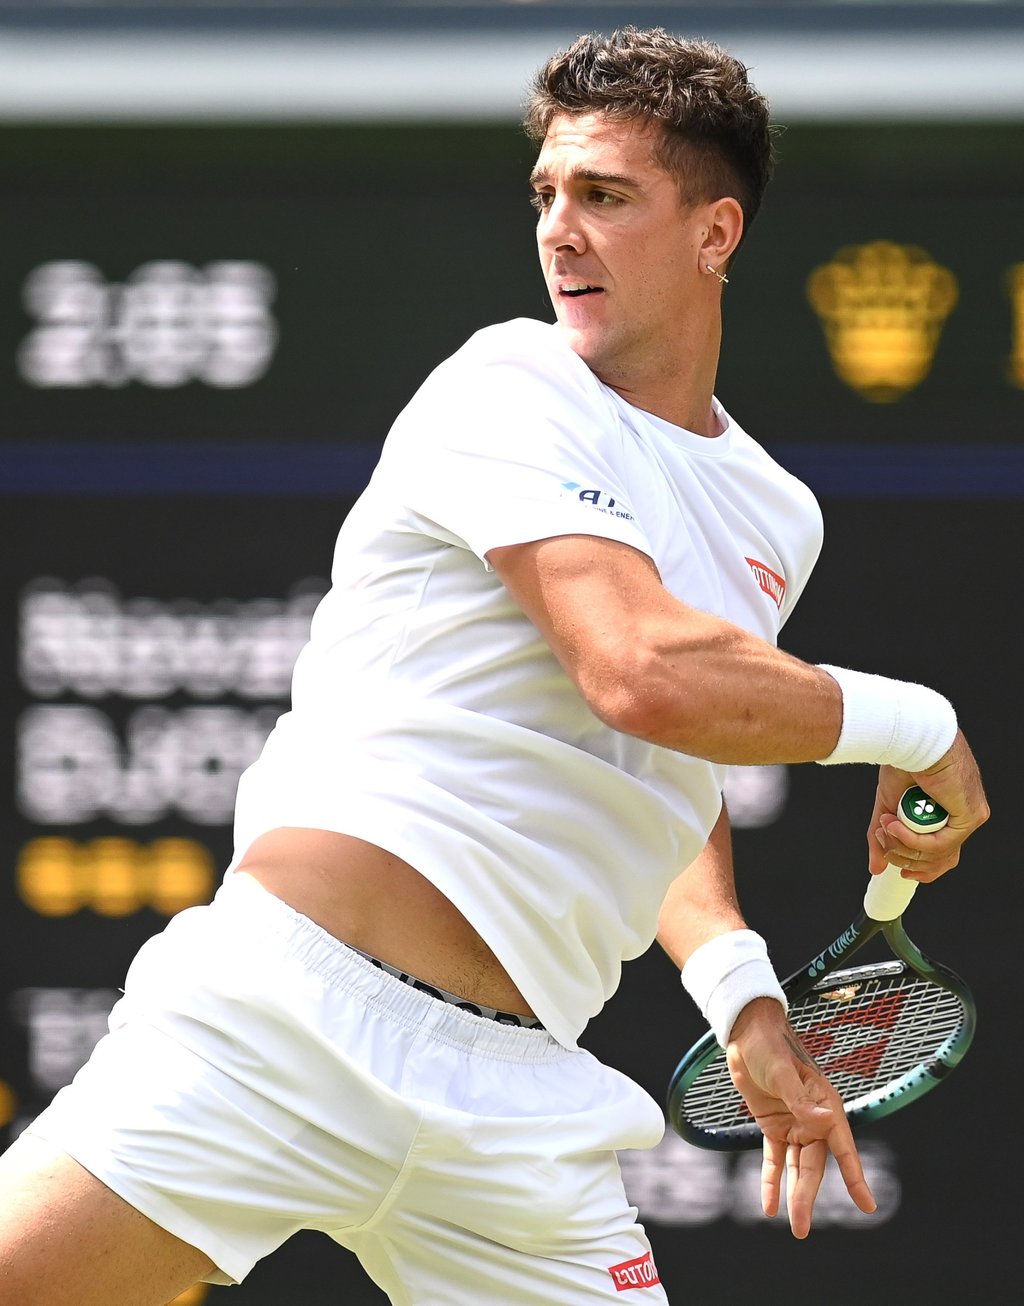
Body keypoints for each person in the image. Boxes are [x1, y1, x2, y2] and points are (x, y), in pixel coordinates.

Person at [0, 26, 988, 1306]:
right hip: (286, 1016)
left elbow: (662, 765)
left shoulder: (774, 514)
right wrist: (920, 723)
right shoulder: (505, 382)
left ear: (716, 232)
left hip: (520, 1104)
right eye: (548, 195)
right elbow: (638, 671)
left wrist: (743, 996)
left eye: (606, 195)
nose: (560, 230)